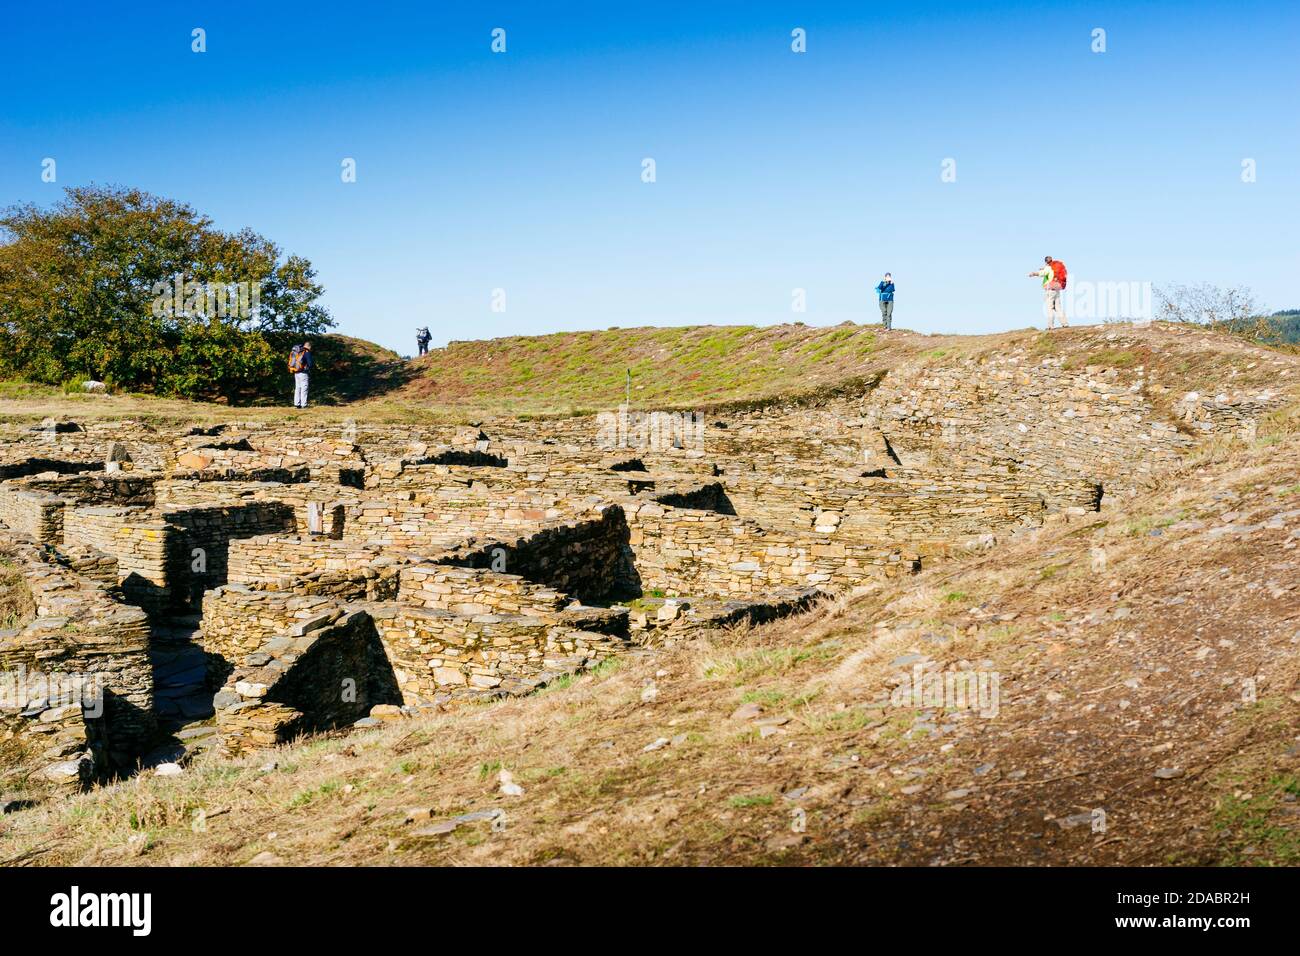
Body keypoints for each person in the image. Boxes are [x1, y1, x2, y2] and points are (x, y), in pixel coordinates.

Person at [1028, 255, 1068, 329]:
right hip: (1057, 289)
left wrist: (1033, 274)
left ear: (1046, 262)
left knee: (1049, 308)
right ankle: (1065, 323)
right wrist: (1043, 268)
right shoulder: (1055, 267)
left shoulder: (1048, 268)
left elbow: (1042, 273)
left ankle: (1050, 325)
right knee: (1058, 307)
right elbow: (1047, 271)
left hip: (1050, 290)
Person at [289, 341, 314, 408]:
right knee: (304, 388)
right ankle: (304, 405)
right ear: (309, 346)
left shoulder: (298, 351)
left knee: (297, 388)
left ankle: (297, 404)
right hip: (303, 373)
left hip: (296, 372)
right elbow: (310, 364)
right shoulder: (306, 352)